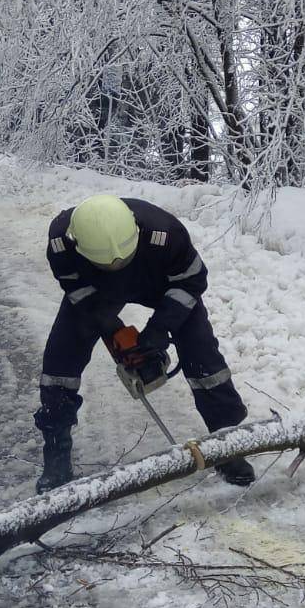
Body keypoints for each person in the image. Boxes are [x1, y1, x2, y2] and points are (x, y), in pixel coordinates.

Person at [35, 194, 255, 492]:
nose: (117, 265)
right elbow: (74, 285)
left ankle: (228, 445)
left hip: (159, 283)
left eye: (122, 260)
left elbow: (192, 281)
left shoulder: (167, 234)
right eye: (109, 263)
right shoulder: (61, 240)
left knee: (203, 355)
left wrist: (159, 329)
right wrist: (110, 326)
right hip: (98, 290)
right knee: (60, 360)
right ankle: (56, 453)